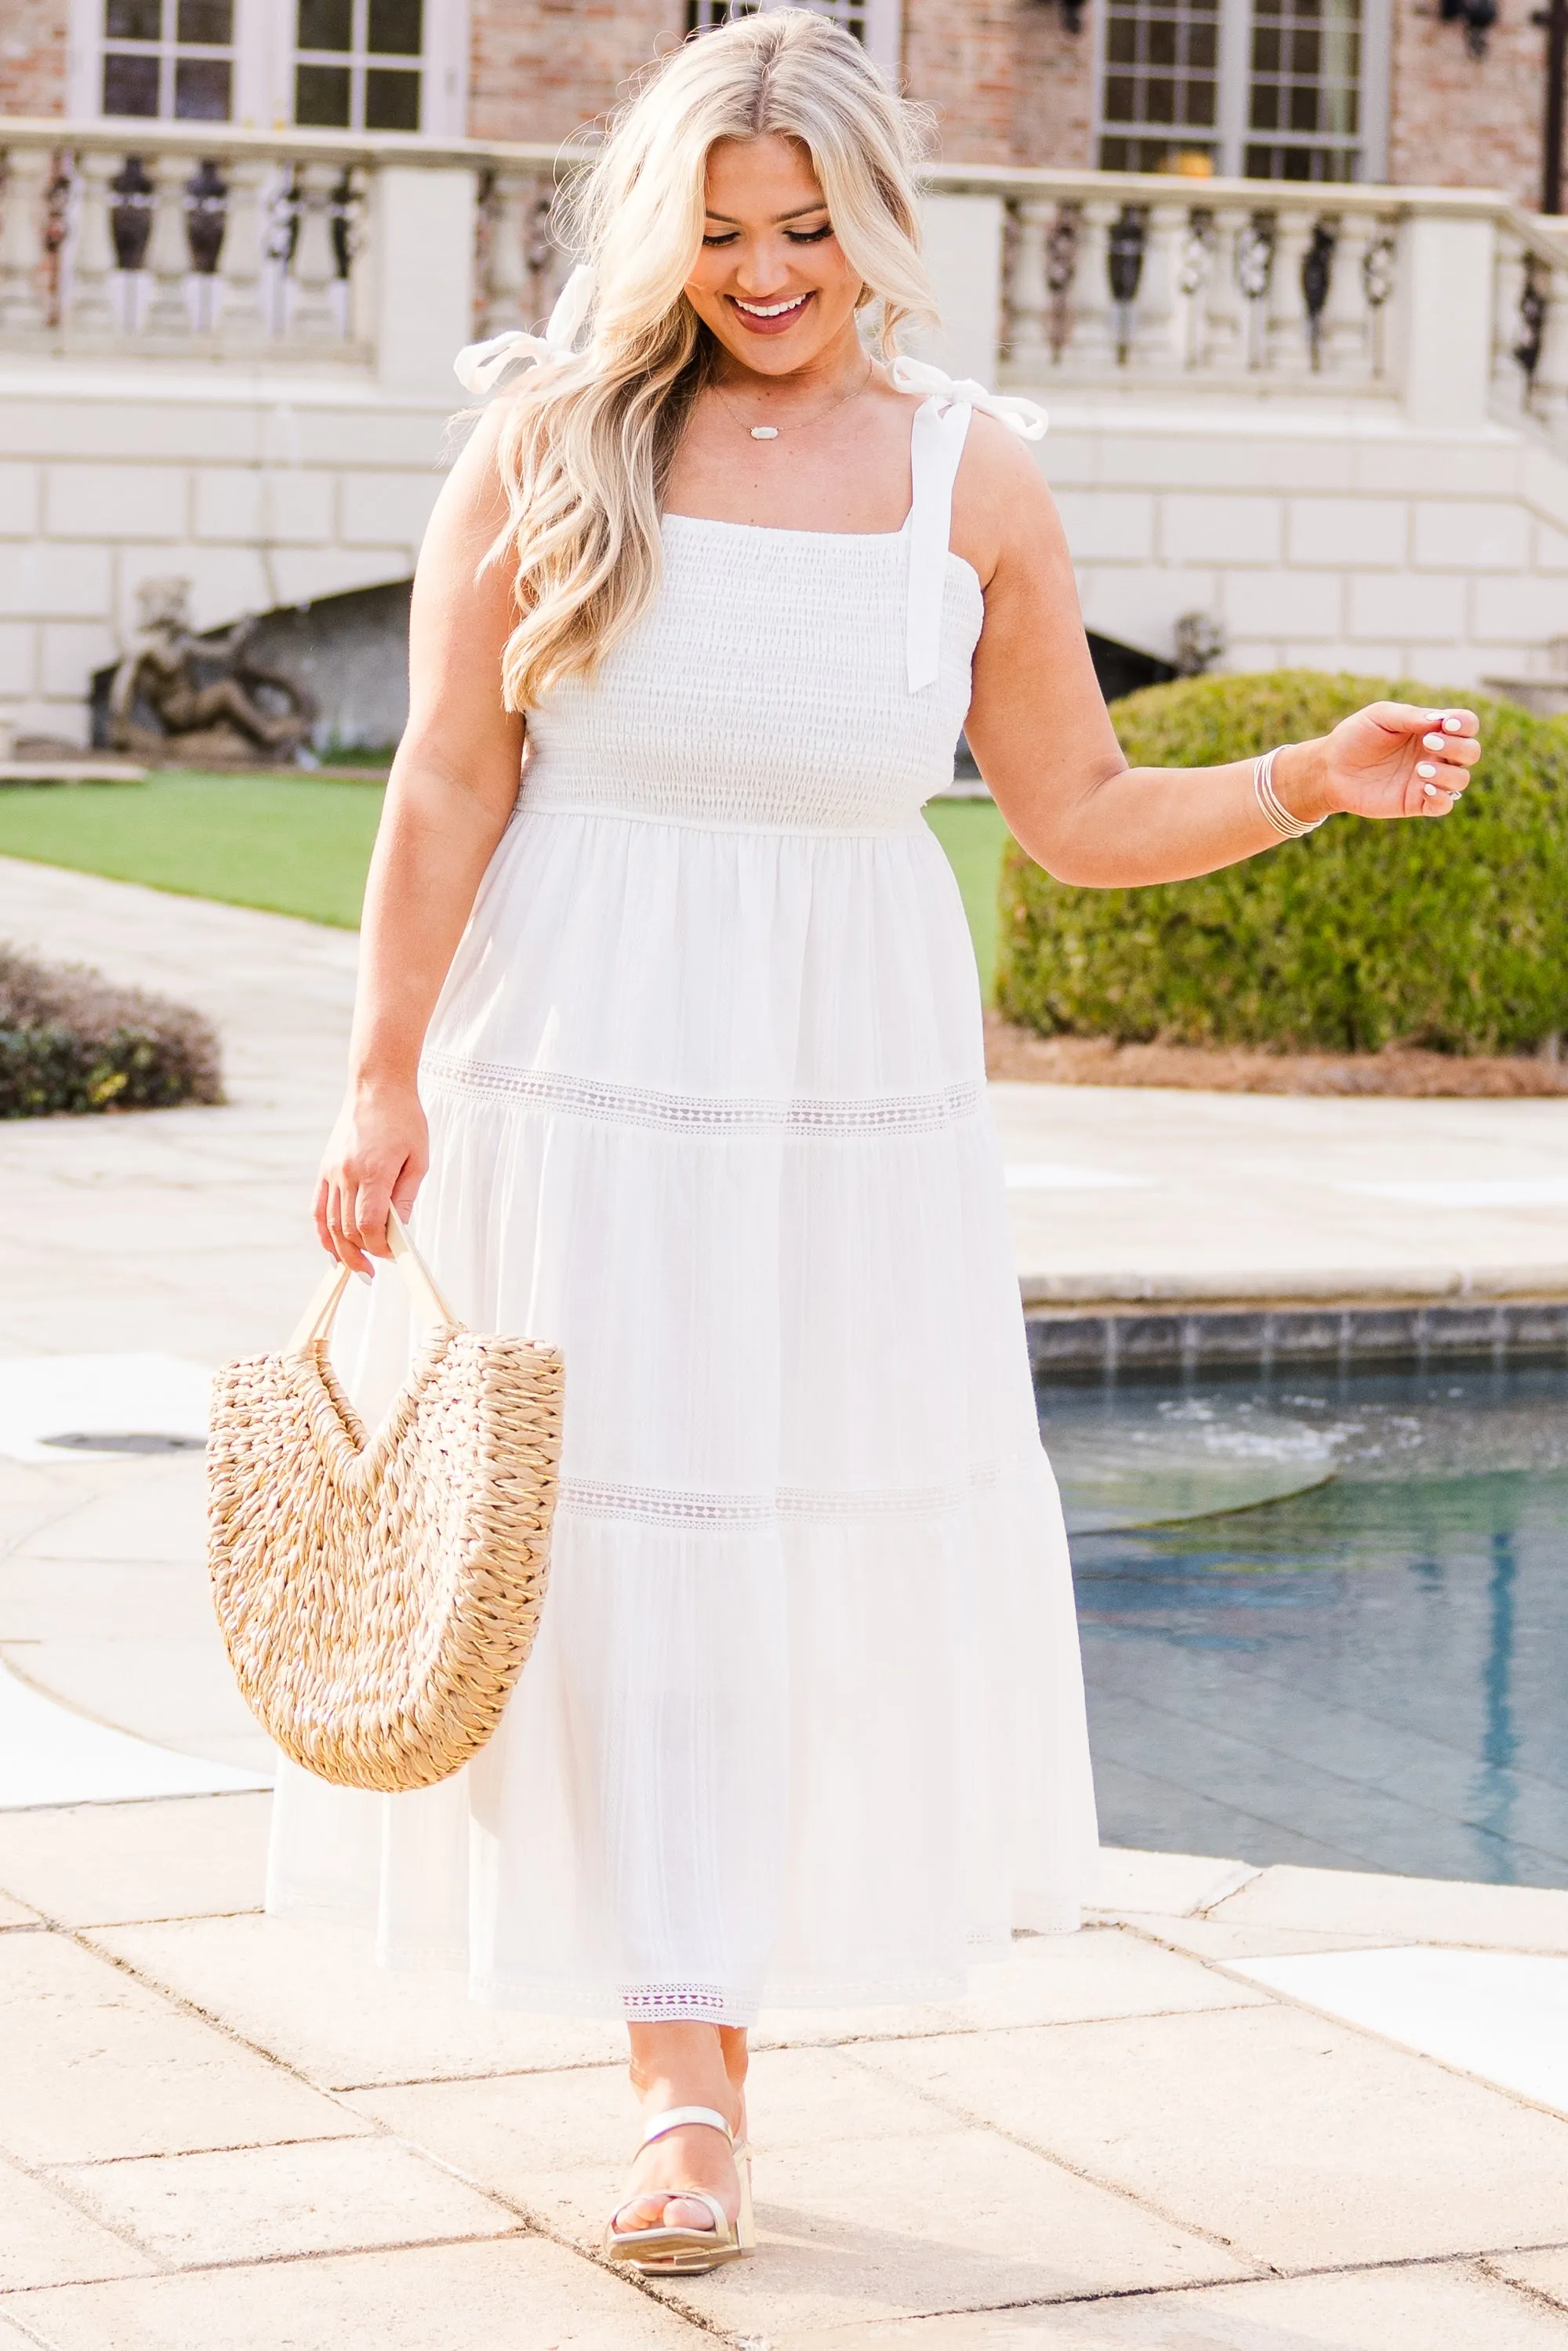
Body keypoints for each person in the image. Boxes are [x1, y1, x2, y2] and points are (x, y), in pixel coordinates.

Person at [270, 8, 1482, 2279]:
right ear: (661, 230)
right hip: (585, 1055)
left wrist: (1305, 776)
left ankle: (716, 2035)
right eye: (722, 231)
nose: (765, 271)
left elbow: (1082, 810)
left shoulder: (969, 478)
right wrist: (379, 1072)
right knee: (606, 1539)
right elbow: (446, 777)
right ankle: (678, 2082)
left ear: (878, 226)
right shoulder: (549, 440)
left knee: (780, 1541)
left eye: (807, 228)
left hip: (848, 1093)